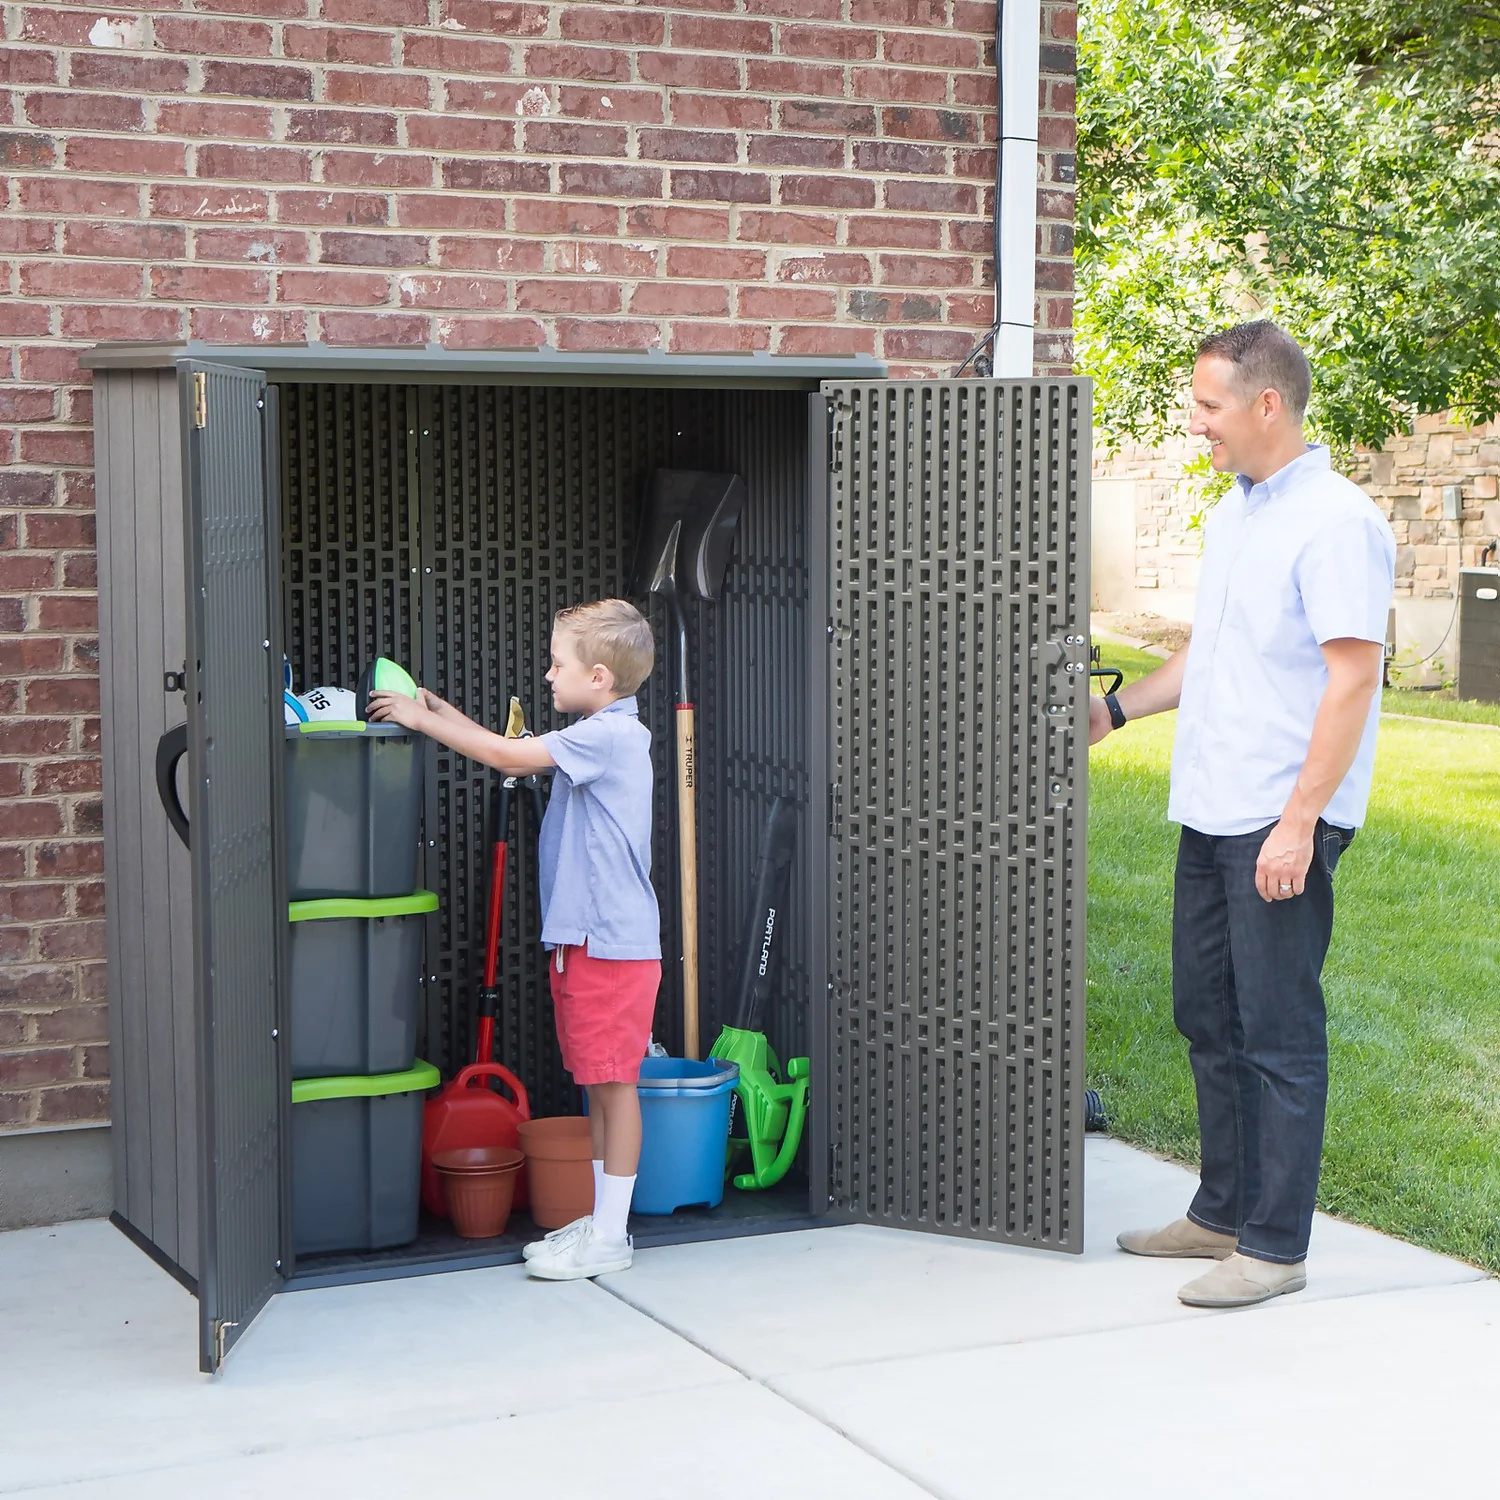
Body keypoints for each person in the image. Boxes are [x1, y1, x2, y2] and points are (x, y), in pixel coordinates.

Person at [1093, 322, 1395, 1308]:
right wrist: (1115, 708)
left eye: (1209, 406)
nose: (1196, 426)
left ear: (1268, 405)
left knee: (1278, 1032)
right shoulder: (1239, 512)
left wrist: (1301, 822)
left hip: (1280, 818)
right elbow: (1213, 652)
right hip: (1214, 809)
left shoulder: (1336, 522)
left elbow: (1353, 679)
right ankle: (1220, 1210)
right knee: (1207, 1015)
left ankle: (1274, 1247)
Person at [370, 598, 662, 1281]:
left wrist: (420, 720)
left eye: (557, 664)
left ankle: (612, 1237)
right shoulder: (598, 730)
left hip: (610, 947)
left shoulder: (609, 737)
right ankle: (603, 1220)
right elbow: (513, 748)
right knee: (598, 1085)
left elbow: (508, 754)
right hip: (589, 943)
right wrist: (439, 713)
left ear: (598, 677)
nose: (547, 673)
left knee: (616, 1089)